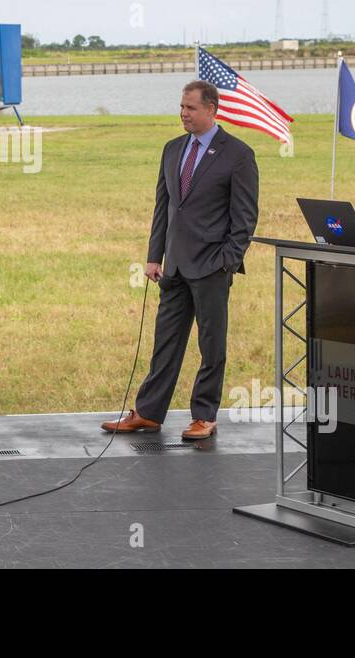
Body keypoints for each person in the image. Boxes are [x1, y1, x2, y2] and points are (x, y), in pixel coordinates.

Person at [102, 80, 260, 441]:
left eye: (190, 108)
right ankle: (148, 413)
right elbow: (164, 207)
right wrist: (153, 256)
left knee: (211, 345)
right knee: (165, 343)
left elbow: (245, 218)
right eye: (182, 107)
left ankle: (204, 415)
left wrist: (227, 261)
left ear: (211, 109)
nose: (183, 114)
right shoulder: (172, 149)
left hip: (212, 268)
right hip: (172, 267)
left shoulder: (237, 154)